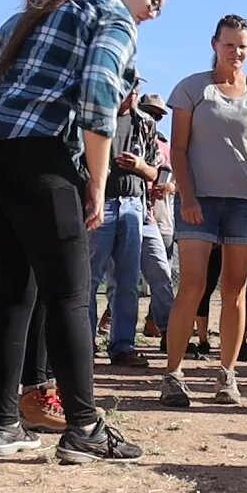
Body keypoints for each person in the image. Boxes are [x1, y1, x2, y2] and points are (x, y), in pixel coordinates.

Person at [0, 0, 161, 462]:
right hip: (32, 146)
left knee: (14, 289)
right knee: (68, 292)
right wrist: (98, 182)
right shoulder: (110, 14)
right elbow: (99, 94)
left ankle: (3, 427)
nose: (157, 4)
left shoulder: (37, 12)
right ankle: (84, 428)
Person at [161, 14, 247, 407]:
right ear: (215, 44)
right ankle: (173, 374)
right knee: (193, 285)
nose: (236, 52)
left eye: (243, 45)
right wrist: (188, 196)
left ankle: (226, 375)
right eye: (229, 44)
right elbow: (178, 147)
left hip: (246, 202)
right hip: (200, 202)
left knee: (236, 290)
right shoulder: (192, 89)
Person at [87, 74, 159, 368]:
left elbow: (157, 173)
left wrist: (140, 166)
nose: (129, 95)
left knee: (127, 281)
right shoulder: (93, 118)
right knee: (88, 279)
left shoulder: (145, 123)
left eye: (134, 89)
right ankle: (84, 342)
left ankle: (123, 346)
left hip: (132, 205)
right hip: (98, 204)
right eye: (125, 88)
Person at [134, 92, 176, 348]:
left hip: (160, 217)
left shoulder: (165, 146)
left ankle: (164, 326)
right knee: (121, 279)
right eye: (150, 112)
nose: (153, 118)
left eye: (158, 115)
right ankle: (115, 327)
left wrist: (170, 187)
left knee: (162, 274)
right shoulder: (126, 134)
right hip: (132, 210)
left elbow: (178, 178)